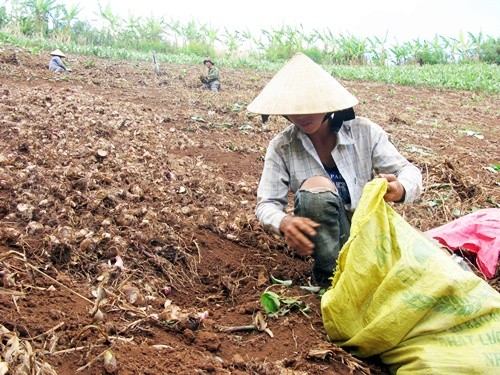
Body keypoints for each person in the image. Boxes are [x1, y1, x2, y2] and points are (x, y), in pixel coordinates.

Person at [248, 53, 422, 287]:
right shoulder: (282, 147)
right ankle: (330, 279)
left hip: (368, 234)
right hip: (328, 245)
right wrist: (284, 222)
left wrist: (400, 189)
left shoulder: (363, 132)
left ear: (327, 103)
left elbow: (408, 171)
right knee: (315, 189)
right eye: (292, 108)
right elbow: (266, 204)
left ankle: (366, 270)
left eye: (310, 105)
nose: (300, 115)